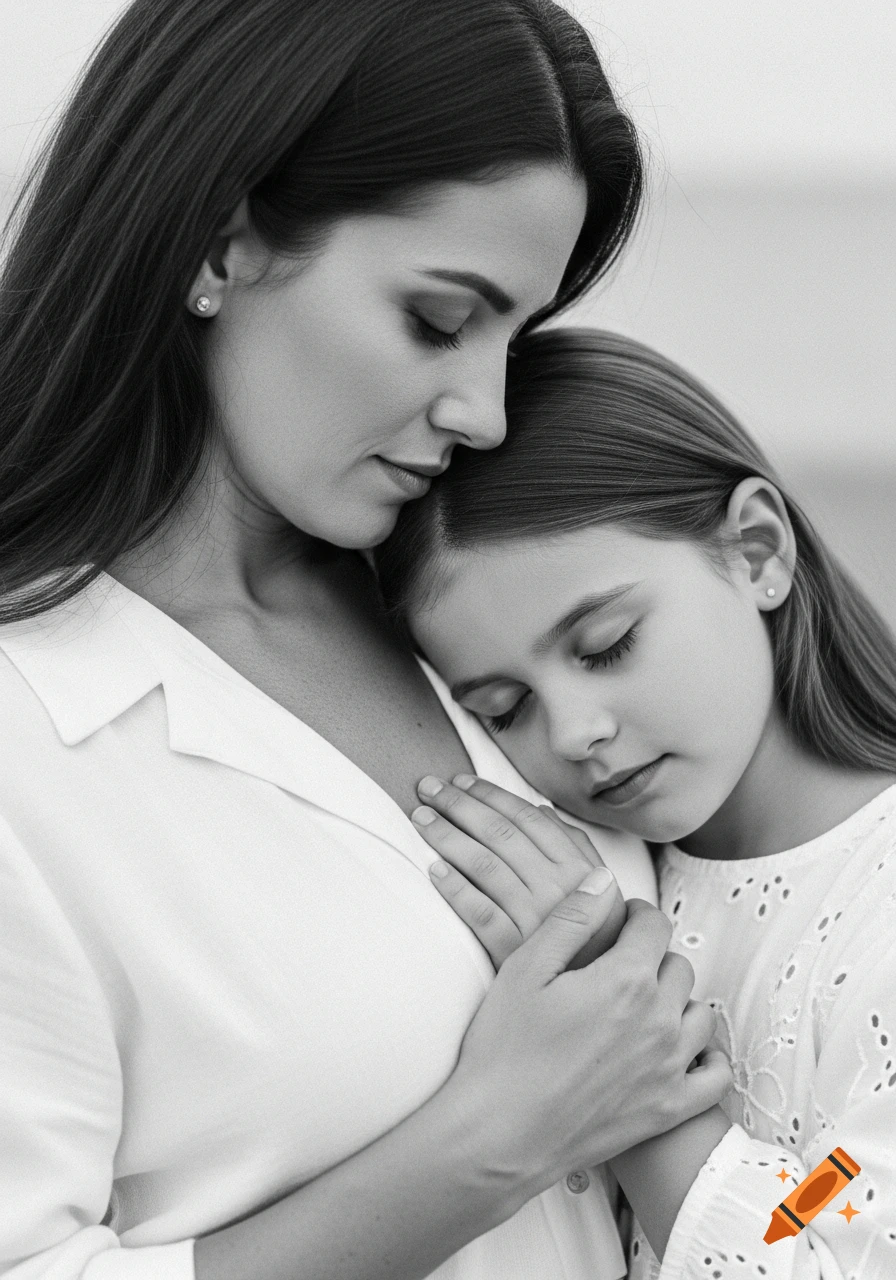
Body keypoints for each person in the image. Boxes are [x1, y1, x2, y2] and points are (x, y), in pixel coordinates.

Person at [0, 5, 731, 1279]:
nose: (489, 412)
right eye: (442, 321)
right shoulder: (31, 735)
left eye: (518, 333)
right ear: (218, 247)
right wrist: (486, 1142)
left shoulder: (483, 606)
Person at [377, 326, 896, 1277]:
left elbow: (823, 1242)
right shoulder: (610, 868)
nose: (573, 733)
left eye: (607, 644)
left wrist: (615, 1062)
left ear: (756, 551)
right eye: (505, 709)